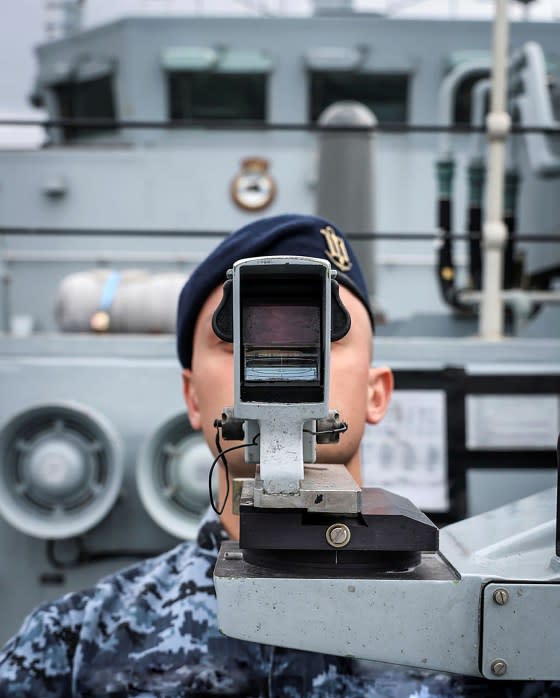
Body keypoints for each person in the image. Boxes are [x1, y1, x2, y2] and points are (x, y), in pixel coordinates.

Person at [0, 214, 461, 698]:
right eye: (233, 341)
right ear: (193, 398)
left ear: (376, 393)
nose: (283, 360)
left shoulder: (476, 630)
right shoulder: (70, 646)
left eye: (325, 335)